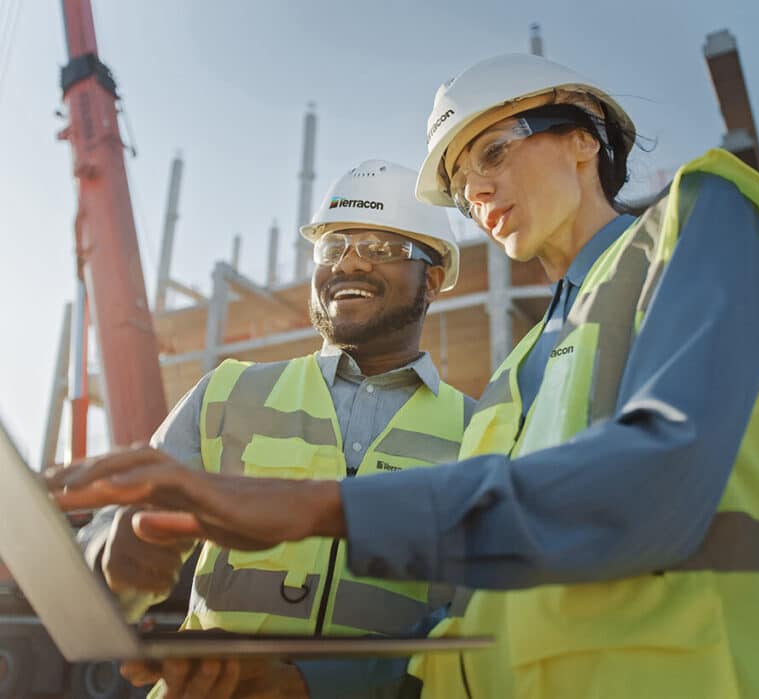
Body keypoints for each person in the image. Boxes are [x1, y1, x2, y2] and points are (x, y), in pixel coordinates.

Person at [53, 54, 759, 698]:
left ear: (582, 137)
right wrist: (295, 681)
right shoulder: (512, 384)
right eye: (464, 182)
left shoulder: (698, 219)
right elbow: (459, 628)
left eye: (494, 151)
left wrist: (310, 505)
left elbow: (658, 483)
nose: (478, 190)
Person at [73, 160, 472, 698]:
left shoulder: (480, 431)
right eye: (333, 248)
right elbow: (114, 530)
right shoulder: (228, 393)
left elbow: (474, 620)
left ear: (433, 280)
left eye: (381, 248)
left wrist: (315, 684)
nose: (349, 263)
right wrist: (110, 554)